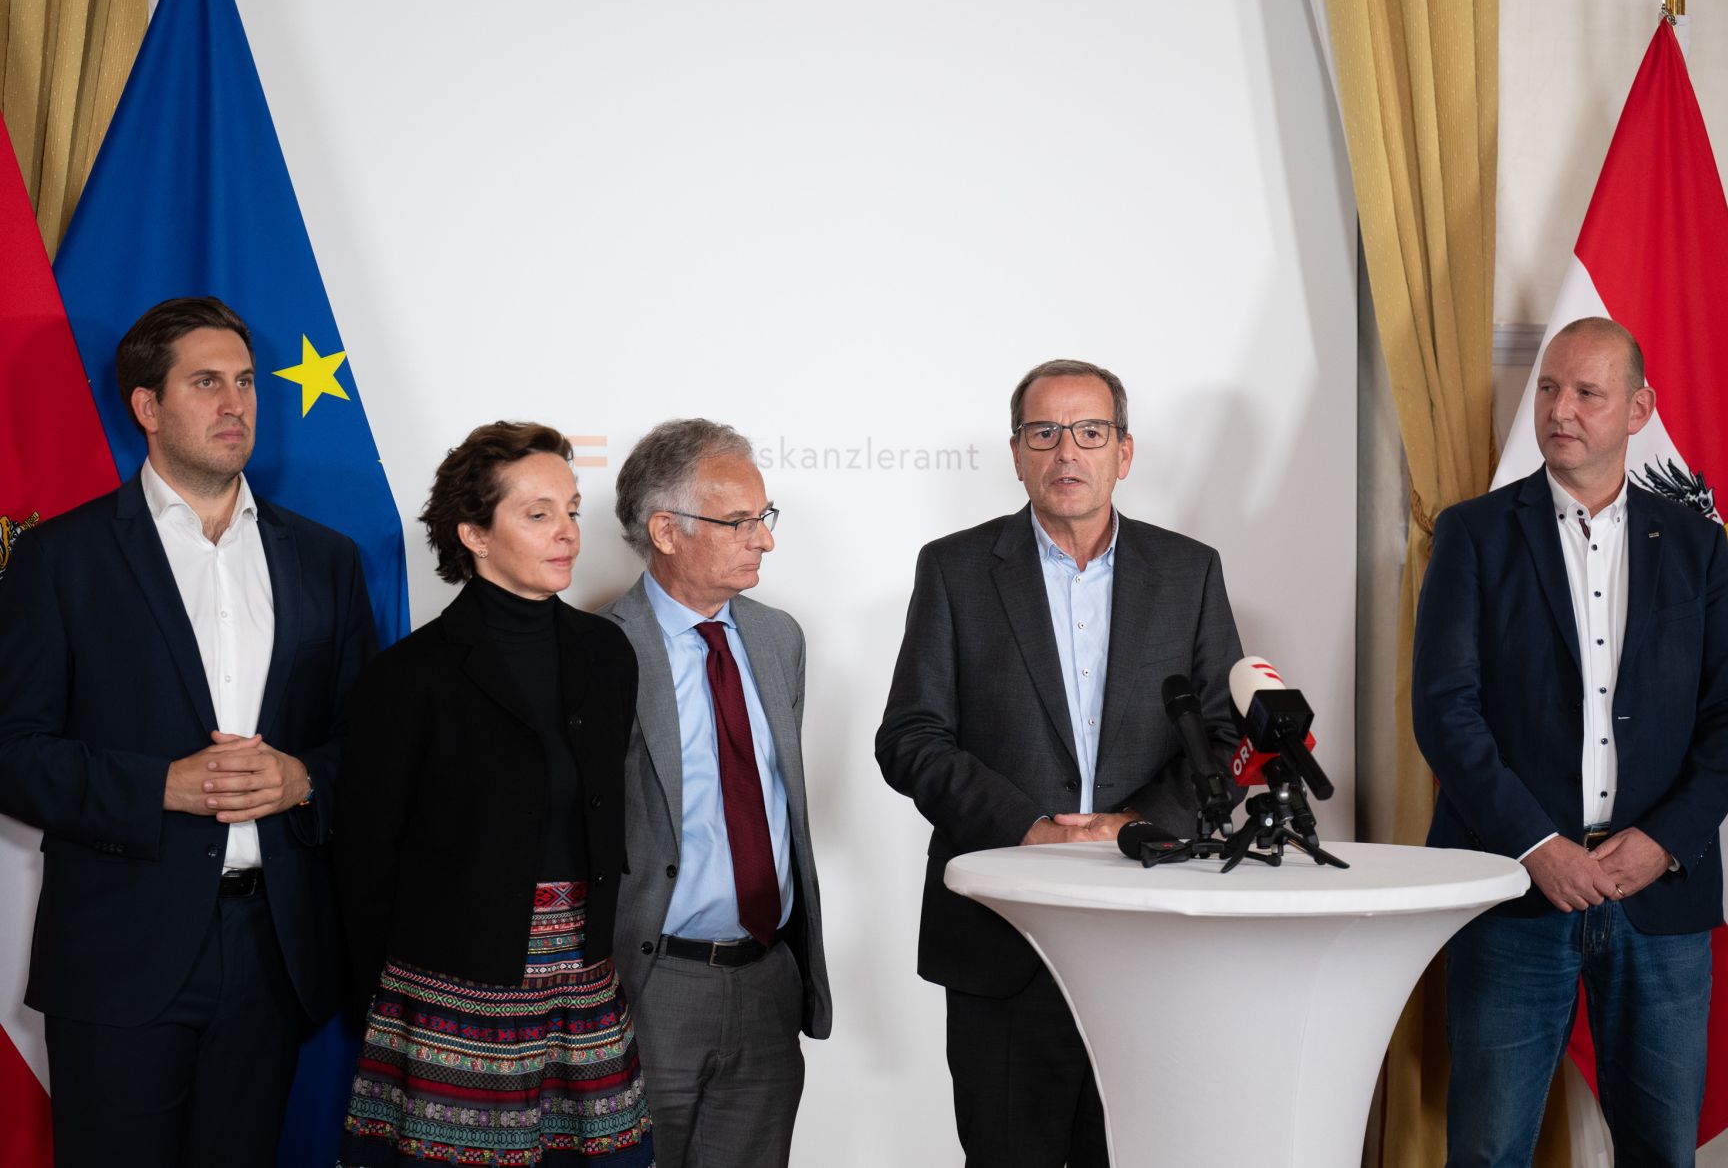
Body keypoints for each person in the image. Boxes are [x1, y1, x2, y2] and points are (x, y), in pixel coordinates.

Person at [0, 296, 378, 1167]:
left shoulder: (326, 558)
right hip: (119, 952)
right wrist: (158, 785)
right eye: (206, 382)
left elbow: (367, 739)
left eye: (245, 382)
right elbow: (12, 751)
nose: (235, 403)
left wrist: (304, 779)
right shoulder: (60, 558)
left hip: (272, 953)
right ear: (146, 406)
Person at [875, 358, 1243, 1167]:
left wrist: (1141, 822)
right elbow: (910, 736)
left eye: (1089, 432)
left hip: (1148, 934)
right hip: (1000, 937)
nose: (1066, 452)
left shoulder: (1188, 570)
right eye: (1044, 433)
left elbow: (1223, 734)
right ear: (1016, 453)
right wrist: (1027, 827)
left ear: (1125, 451)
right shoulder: (956, 568)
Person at [1412, 316, 1728, 1167]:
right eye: (1548, 388)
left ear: (1639, 409)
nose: (1559, 409)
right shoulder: (1473, 532)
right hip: (1510, 893)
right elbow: (1444, 710)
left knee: (1660, 1152)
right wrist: (1538, 845)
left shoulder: (1695, 544)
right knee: (1488, 1151)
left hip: (1660, 898)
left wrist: (1666, 840)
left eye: (1587, 392)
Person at [333, 421, 652, 1166]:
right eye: (537, 513)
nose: (568, 531)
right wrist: (372, 1004)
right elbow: (364, 857)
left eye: (571, 509)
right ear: (473, 533)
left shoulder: (608, 654)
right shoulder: (408, 676)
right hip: (455, 991)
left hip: (585, 979)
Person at [599, 418, 831, 1167]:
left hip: (767, 978)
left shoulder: (778, 638)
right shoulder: (602, 652)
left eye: (764, 518)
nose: (763, 539)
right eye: (740, 522)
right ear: (665, 529)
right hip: (652, 982)